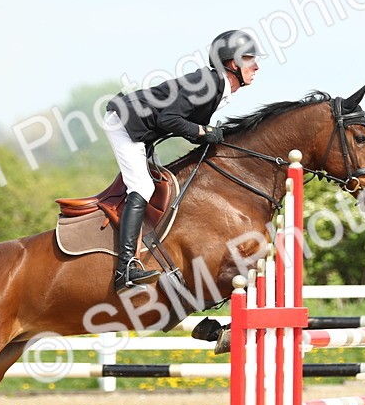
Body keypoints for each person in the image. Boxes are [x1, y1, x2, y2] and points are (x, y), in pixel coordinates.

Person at [103, 30, 264, 292]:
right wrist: (204, 132)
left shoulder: (217, 86)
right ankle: (126, 269)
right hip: (125, 123)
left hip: (142, 127)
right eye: (249, 59)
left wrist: (205, 134)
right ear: (233, 63)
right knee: (142, 187)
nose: (256, 66)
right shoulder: (208, 84)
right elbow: (169, 120)